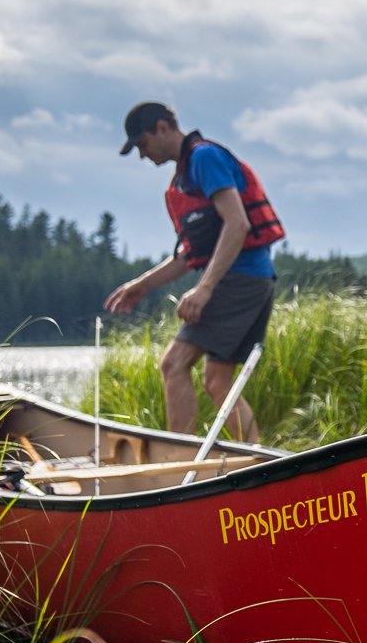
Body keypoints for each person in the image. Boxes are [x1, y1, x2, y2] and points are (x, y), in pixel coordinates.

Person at [105, 102, 283, 442]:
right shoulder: (185, 176)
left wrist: (204, 289)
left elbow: (238, 223)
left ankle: (177, 461)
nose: (143, 156)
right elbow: (191, 255)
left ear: (163, 127)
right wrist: (140, 285)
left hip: (240, 279)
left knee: (174, 365)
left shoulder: (204, 158)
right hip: (251, 279)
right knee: (217, 381)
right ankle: (259, 462)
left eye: (142, 145)